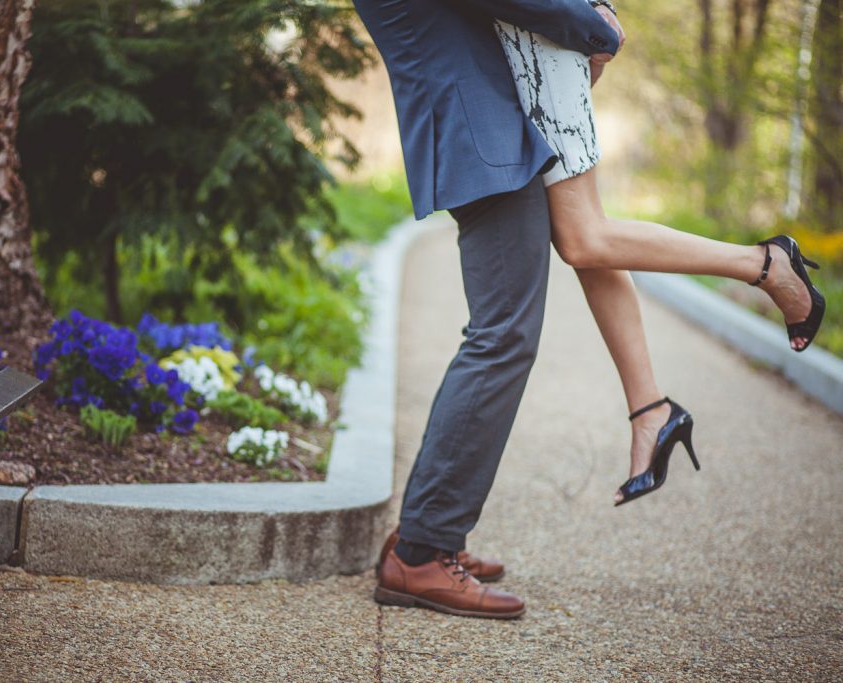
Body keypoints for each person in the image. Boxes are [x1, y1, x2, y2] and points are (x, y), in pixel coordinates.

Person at [353, 0, 826, 621]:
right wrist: (592, 25)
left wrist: (587, 24)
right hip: (480, 112)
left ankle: (429, 537)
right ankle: (422, 550)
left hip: (486, 108)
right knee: (506, 330)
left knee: (513, 318)